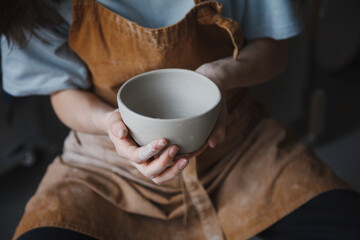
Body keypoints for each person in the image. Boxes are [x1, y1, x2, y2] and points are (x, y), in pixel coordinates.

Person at [2, 0, 360, 239]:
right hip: (105, 161)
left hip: (237, 145)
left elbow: (275, 50)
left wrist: (222, 75)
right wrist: (111, 123)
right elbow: (61, 92)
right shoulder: (30, 6)